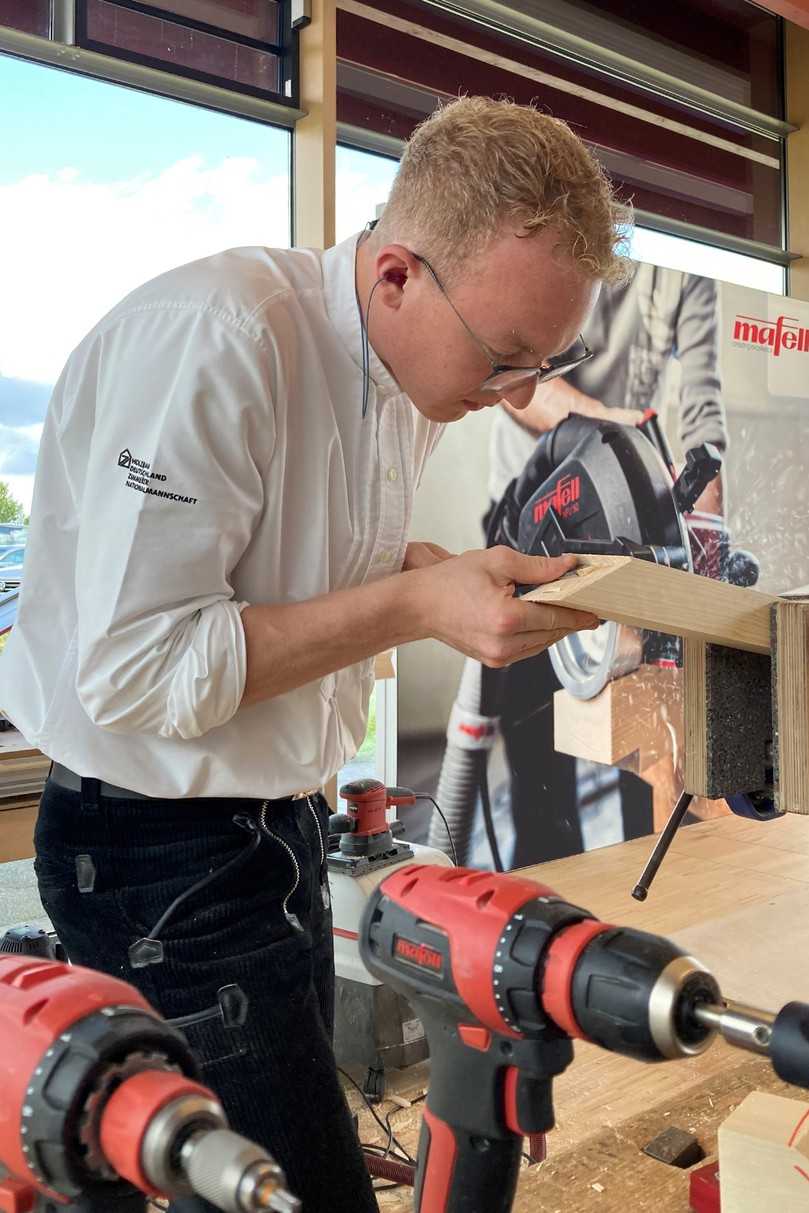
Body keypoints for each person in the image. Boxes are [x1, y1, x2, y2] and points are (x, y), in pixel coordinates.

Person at [0, 96, 628, 1212]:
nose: (514, 394)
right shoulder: (220, 339)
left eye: (540, 361)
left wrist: (454, 574)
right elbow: (137, 667)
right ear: (395, 274)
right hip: (154, 852)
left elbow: (305, 568)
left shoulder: (394, 373)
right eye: (503, 359)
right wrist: (413, 602)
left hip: (269, 826)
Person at [486, 264, 728, 865]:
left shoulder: (690, 279)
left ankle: (635, 892)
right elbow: (523, 381)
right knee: (539, 744)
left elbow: (704, 411)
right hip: (534, 506)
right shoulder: (556, 242)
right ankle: (546, 900)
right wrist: (619, 429)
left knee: (635, 728)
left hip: (631, 504)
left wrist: (706, 539)